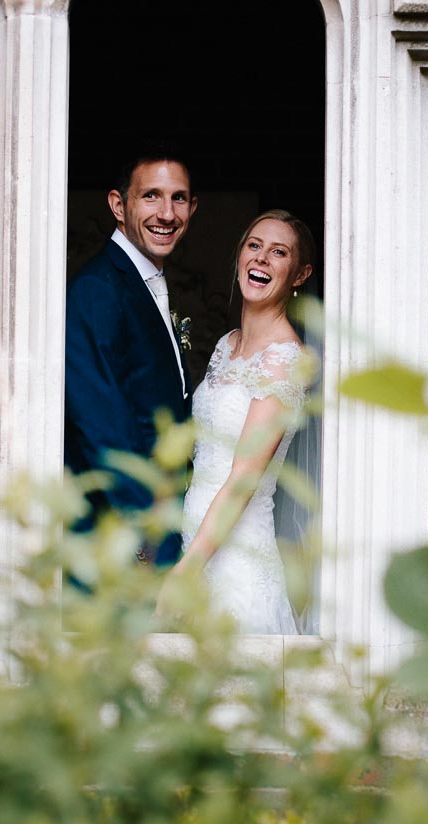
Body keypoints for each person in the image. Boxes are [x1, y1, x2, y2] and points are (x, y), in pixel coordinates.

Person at [157, 210, 318, 633]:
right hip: (196, 539)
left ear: (300, 275)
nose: (261, 258)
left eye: (278, 252)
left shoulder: (285, 360)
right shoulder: (227, 345)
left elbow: (244, 479)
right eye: (254, 245)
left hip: (238, 563)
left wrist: (187, 572)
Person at [64, 156, 198, 567]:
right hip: (125, 542)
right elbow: (103, 429)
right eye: (151, 196)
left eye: (178, 198)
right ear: (119, 206)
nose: (167, 214)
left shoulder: (142, 280)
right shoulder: (98, 288)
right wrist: (152, 541)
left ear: (192, 207)